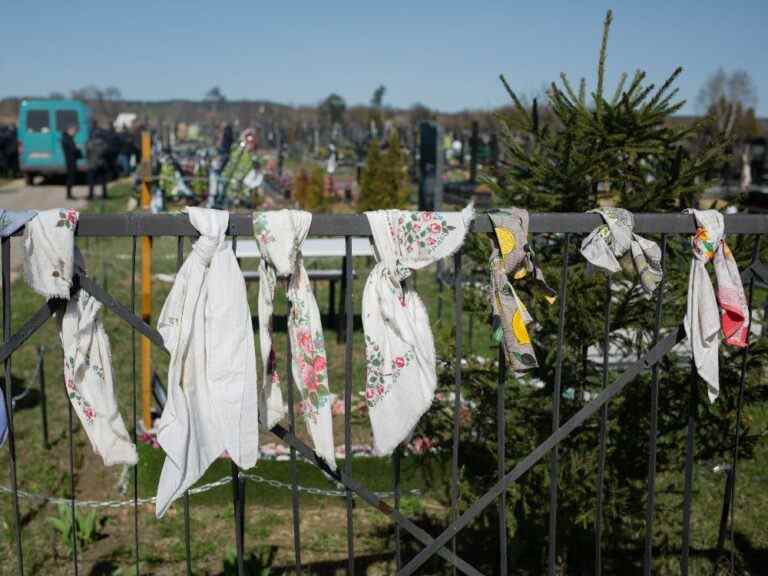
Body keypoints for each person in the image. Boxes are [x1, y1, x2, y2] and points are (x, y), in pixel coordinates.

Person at [86, 122, 108, 199]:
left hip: (92, 164)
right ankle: (104, 195)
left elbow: (87, 153)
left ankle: (90, 195)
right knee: (103, 181)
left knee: (91, 182)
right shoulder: (103, 143)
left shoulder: (89, 143)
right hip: (102, 164)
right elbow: (106, 152)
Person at [61, 124, 81, 199]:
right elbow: (72, 149)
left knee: (71, 178)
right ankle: (69, 195)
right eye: (74, 131)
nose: (75, 133)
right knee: (70, 178)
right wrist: (77, 148)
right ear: (69, 130)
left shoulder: (68, 138)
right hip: (70, 161)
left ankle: (69, 194)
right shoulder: (67, 139)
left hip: (71, 160)